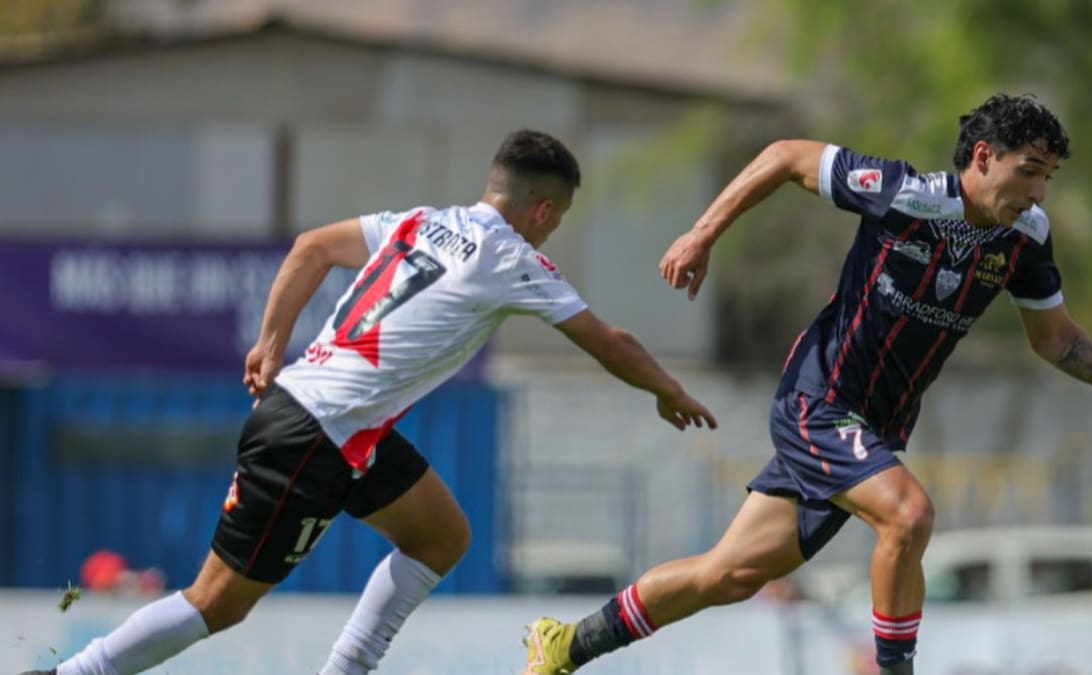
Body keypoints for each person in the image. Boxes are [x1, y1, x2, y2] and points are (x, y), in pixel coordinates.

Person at [522, 93, 1092, 675]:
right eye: (1029, 171)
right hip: (820, 403)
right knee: (910, 512)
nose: (1039, 192)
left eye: (1049, 177)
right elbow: (784, 154)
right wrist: (701, 234)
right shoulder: (905, 194)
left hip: (873, 430)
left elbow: (1055, 339)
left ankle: (566, 646)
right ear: (983, 156)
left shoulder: (1025, 240)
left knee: (728, 573)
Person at [24, 129, 717, 675]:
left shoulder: (419, 221)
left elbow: (310, 248)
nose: (551, 231)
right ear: (542, 208)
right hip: (313, 437)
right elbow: (611, 341)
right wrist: (669, 389)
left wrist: (271, 342)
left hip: (338, 424)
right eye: (556, 218)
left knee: (442, 535)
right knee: (216, 602)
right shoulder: (510, 257)